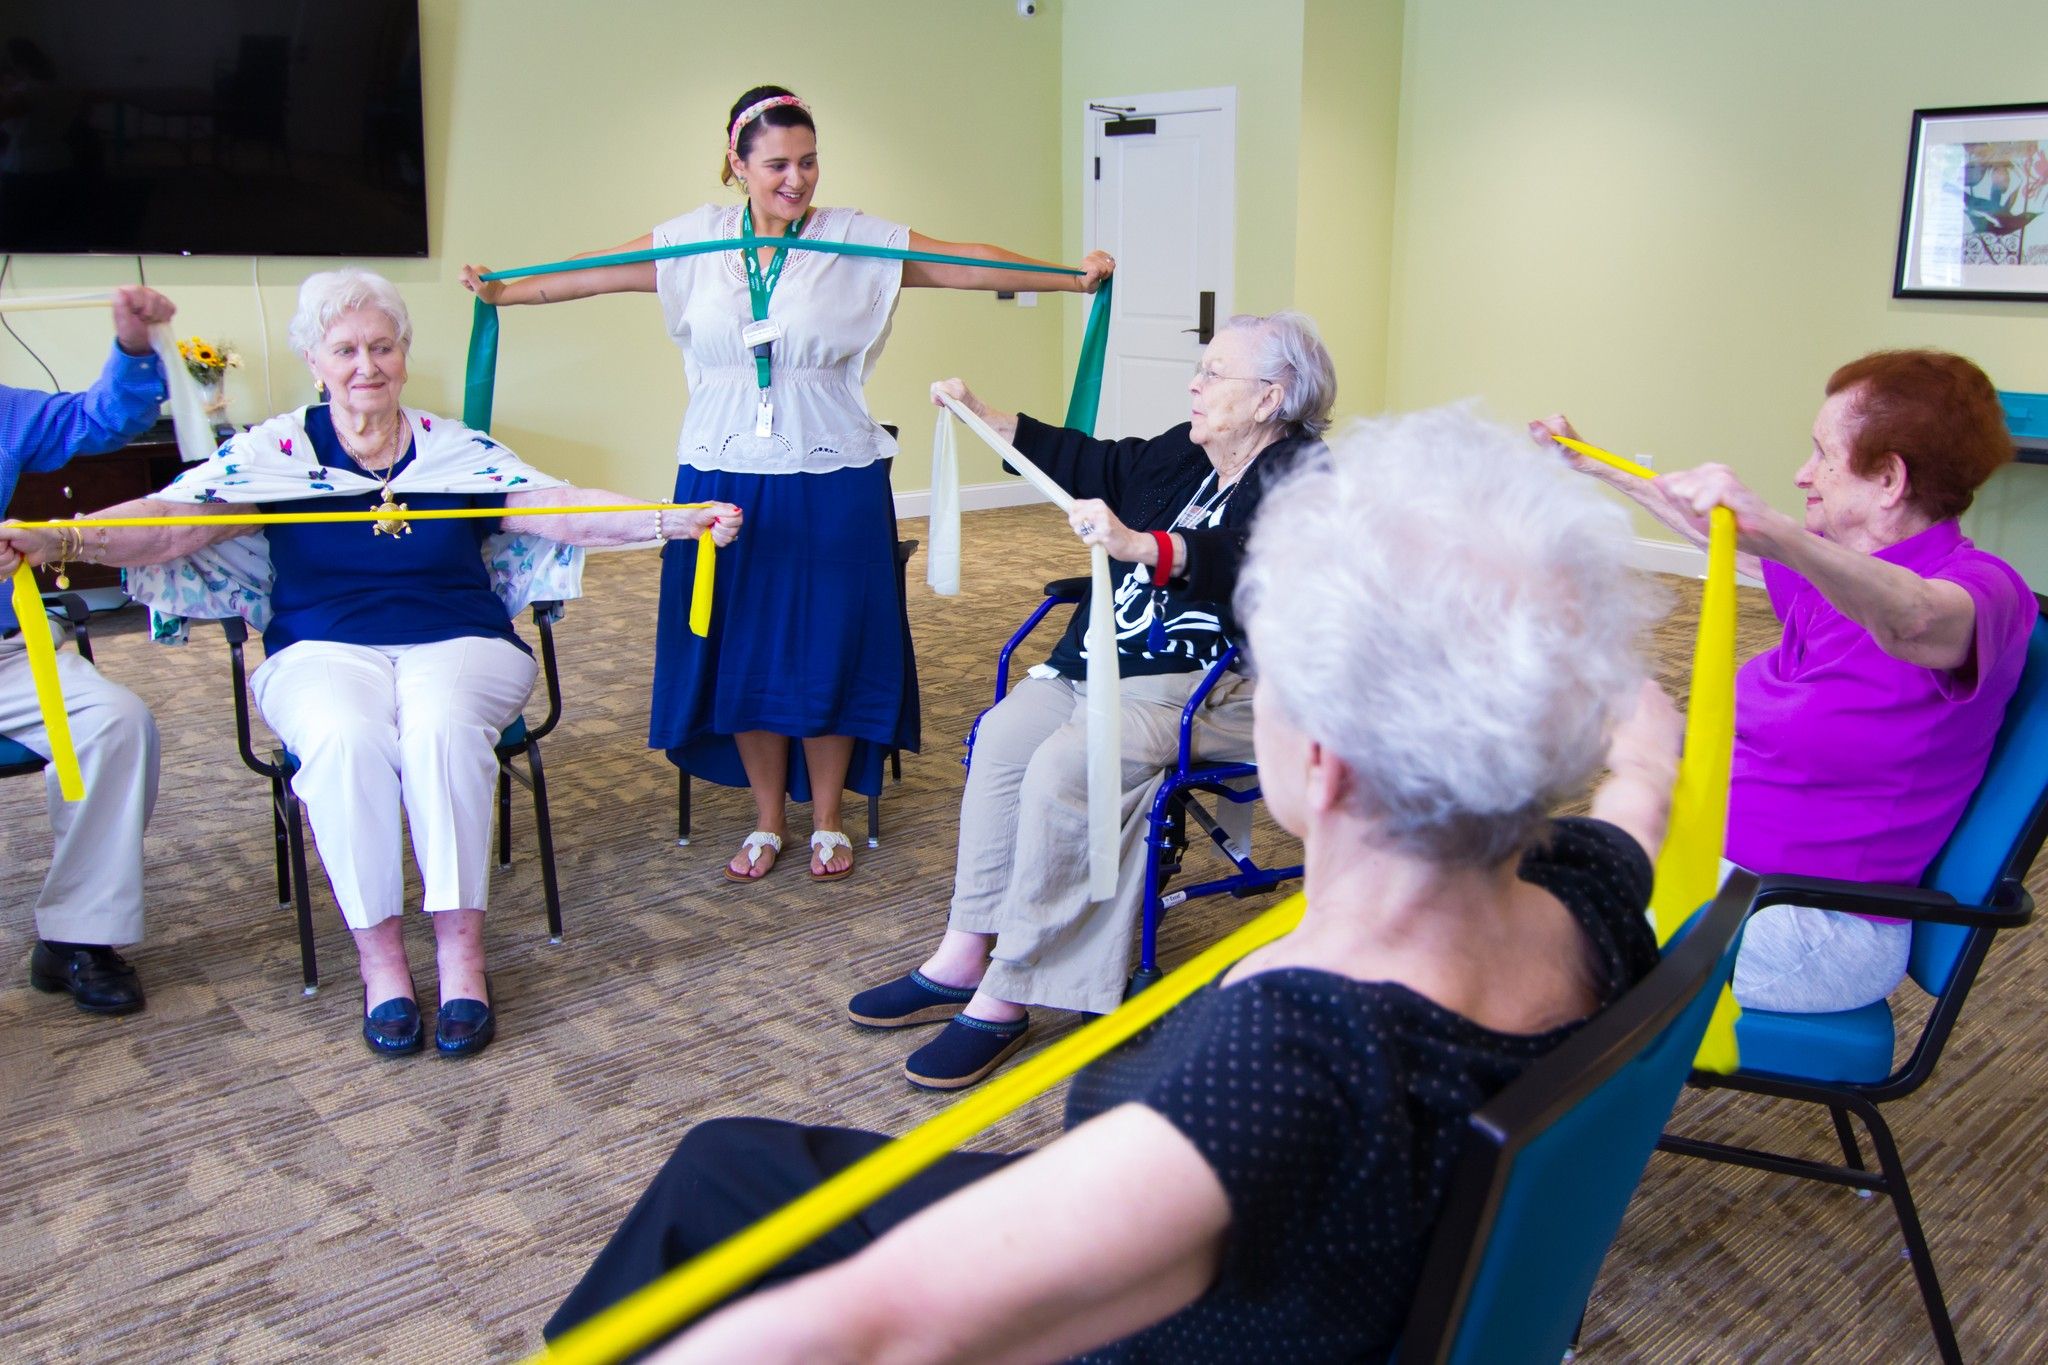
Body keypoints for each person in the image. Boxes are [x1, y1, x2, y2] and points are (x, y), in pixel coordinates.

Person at [543, 406, 1676, 1361]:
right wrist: (1582, 661)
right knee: (729, 1165)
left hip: (1193, 1319)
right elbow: (1644, 775)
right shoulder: (1588, 892)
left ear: (1321, 764)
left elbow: (885, 1326)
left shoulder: (1293, 1061)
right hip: (1318, 1262)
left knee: (721, 1197)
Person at [1, 270, 741, 1057]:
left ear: (403, 354)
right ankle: (382, 963)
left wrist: (671, 519)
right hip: (320, 650)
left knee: (440, 729)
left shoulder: (455, 450)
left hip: (462, 645)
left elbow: (558, 505)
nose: (366, 365)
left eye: (382, 346)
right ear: (314, 361)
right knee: (346, 739)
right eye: (345, 349)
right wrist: (60, 539)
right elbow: (173, 522)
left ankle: (462, 958)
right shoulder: (275, 453)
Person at [460, 83, 1113, 885]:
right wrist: (501, 292)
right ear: (736, 163)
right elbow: (585, 276)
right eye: (776, 165)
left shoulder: (855, 241)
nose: (796, 181)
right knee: (744, 645)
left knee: (829, 643)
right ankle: (768, 818)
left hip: (832, 474)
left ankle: (829, 817)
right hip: (722, 470)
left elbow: (969, 265)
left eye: (808, 162)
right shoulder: (692, 242)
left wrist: (1066, 278)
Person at [847, 311, 1335, 1091]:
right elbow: (1096, 462)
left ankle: (1012, 988)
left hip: (1223, 685)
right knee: (1006, 736)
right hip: (1111, 663)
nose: (1194, 384)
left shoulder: (1306, 479)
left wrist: (1149, 547)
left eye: (1215, 374)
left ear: (1272, 397)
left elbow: (1258, 562)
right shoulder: (1188, 451)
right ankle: (965, 946)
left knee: (1072, 760)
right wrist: (987, 417)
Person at [1533, 348, 2038, 1014]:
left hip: (1815, 925)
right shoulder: (1836, 571)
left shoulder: (1984, 592)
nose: (1804, 475)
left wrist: (1775, 529)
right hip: (1728, 878)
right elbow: (1724, 534)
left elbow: (1912, 616)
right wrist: (1588, 460)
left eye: (1822, 455)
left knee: (1530, 956)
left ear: (1888, 478)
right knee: (1512, 892)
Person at [0, 285, 173, 1014]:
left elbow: (105, 420)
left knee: (115, 723)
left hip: (9, 654)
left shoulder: (5, 410)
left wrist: (134, 345)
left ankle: (75, 934)